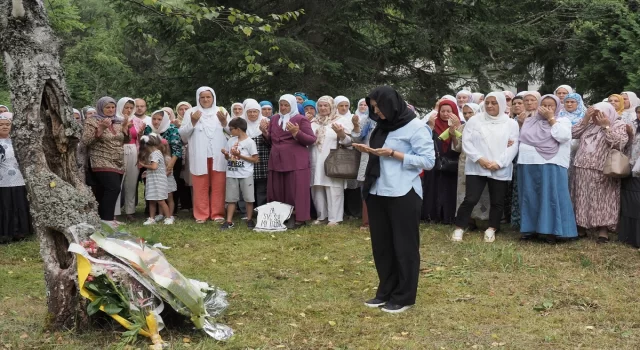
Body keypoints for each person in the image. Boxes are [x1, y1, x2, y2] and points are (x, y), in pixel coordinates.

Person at [352, 86, 434, 313]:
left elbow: (428, 161)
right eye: (373, 108)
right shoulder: (381, 126)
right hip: (378, 190)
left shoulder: (415, 127)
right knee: (382, 246)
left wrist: (394, 154)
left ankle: (404, 296)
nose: (376, 112)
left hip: (403, 192)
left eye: (378, 108)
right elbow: (379, 151)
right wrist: (368, 150)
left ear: (391, 104)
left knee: (404, 247)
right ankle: (386, 291)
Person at [452, 92, 519, 243]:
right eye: (487, 102)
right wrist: (479, 159)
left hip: (499, 167)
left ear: (501, 104)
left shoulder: (510, 123)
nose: (489, 106)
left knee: (497, 200)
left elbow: (513, 145)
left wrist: (499, 163)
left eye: (494, 103)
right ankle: (459, 227)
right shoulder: (475, 121)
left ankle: (492, 228)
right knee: (470, 198)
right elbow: (467, 142)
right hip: (477, 166)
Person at [517, 94, 577, 242]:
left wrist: (551, 118)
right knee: (530, 196)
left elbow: (562, 137)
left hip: (552, 163)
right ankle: (531, 230)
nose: (547, 108)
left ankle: (553, 231)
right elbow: (522, 137)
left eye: (551, 106)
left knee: (552, 196)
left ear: (557, 107)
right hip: (529, 162)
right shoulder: (530, 121)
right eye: (544, 105)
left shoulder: (563, 121)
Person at [572, 102, 629, 243]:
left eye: (600, 113)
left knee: (603, 200)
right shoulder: (590, 124)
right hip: (582, 166)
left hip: (603, 169)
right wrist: (586, 119)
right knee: (582, 197)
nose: (597, 117)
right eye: (595, 114)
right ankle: (582, 227)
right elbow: (573, 133)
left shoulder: (619, 125)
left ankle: (603, 230)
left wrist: (606, 126)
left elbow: (619, 143)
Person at [260, 94, 316, 229]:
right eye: (281, 105)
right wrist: (264, 133)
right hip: (277, 160)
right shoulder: (274, 119)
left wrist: (297, 133)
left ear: (292, 106)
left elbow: (311, 139)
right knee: (278, 190)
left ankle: (299, 219)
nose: (283, 107)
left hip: (296, 162)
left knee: (297, 191)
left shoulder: (301, 119)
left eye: (286, 105)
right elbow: (272, 141)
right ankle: (280, 217)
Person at [179, 86, 230, 223]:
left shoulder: (221, 110)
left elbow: (232, 131)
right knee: (200, 185)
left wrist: (224, 122)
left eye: (208, 97)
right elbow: (183, 135)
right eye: (203, 97)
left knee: (218, 185)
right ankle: (201, 214)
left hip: (218, 154)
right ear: (198, 98)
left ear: (213, 98)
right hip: (199, 154)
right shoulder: (191, 111)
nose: (206, 99)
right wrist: (193, 122)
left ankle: (217, 213)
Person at [81, 97, 130, 228]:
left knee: (106, 190)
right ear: (100, 108)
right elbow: (86, 141)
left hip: (118, 160)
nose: (110, 110)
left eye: (113, 107)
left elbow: (123, 140)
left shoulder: (118, 121)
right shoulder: (92, 121)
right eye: (107, 107)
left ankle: (103, 218)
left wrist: (125, 128)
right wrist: (101, 128)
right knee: (113, 188)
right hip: (101, 159)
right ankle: (107, 219)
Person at [310, 96, 353, 226]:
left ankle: (335, 218)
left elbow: (350, 143)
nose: (323, 108)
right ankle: (322, 216)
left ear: (331, 107)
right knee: (317, 187)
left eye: (326, 106)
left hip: (333, 160)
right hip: (315, 159)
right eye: (320, 106)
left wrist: (341, 134)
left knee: (333, 187)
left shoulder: (341, 121)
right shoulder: (313, 122)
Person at [422, 99, 461, 224]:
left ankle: (449, 216)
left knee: (450, 188)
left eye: (448, 111)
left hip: (452, 163)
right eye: (442, 111)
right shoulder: (433, 124)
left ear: (454, 112)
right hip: (434, 162)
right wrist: (431, 126)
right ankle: (431, 215)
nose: (445, 114)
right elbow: (425, 141)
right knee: (433, 188)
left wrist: (454, 129)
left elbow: (460, 144)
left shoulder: (462, 125)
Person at [453, 103, 490, 228]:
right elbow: (457, 148)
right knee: (464, 192)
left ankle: (483, 218)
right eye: (465, 113)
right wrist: (453, 135)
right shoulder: (462, 127)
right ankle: (468, 220)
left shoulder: (484, 127)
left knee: (479, 191)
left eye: (470, 112)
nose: (468, 115)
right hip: (464, 162)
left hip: (481, 162)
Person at [219, 117, 259, 229]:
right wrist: (226, 155)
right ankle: (229, 221)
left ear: (239, 129)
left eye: (231, 129)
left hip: (246, 174)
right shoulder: (231, 140)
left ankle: (250, 219)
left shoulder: (250, 142)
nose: (230, 131)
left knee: (248, 198)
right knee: (231, 198)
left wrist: (239, 155)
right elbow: (229, 158)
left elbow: (255, 159)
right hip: (232, 173)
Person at [145, 109, 182, 220]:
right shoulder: (148, 128)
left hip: (169, 162)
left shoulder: (172, 129)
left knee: (168, 191)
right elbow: (146, 147)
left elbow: (177, 150)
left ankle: (170, 215)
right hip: (153, 162)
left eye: (159, 119)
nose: (156, 122)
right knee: (154, 189)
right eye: (154, 119)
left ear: (164, 120)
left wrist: (169, 166)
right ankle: (156, 214)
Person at [511, 91, 541, 228]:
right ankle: (521, 222)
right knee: (521, 188)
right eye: (526, 101)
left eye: (532, 100)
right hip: (521, 156)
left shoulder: (543, 117)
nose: (529, 103)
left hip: (539, 156)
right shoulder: (517, 118)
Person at [0, 112, 31, 243]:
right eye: (1, 125)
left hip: (19, 179)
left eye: (7, 124)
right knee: (5, 206)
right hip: (2, 180)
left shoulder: (17, 141)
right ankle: (5, 234)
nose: (5, 127)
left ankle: (20, 232)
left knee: (19, 205)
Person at [115, 97, 144, 221]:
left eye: (131, 108)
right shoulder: (115, 120)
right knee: (117, 183)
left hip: (133, 150)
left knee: (131, 182)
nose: (128, 110)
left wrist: (141, 134)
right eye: (126, 107)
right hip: (119, 150)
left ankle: (130, 211)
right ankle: (114, 211)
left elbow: (138, 138)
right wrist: (124, 126)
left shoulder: (136, 120)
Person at [351, 98, 375, 230]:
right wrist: (355, 125)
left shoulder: (391, 121)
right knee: (366, 188)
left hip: (385, 158)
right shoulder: (367, 119)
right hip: (367, 157)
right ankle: (366, 222)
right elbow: (356, 137)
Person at [138, 134, 172, 225]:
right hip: (153, 180)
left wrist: (144, 165)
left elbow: (154, 166)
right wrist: (147, 172)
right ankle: (151, 218)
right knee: (151, 199)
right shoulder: (154, 153)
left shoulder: (155, 154)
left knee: (161, 200)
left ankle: (169, 218)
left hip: (158, 181)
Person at [619, 105, 640, 247]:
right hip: (631, 169)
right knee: (630, 202)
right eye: (638, 112)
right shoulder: (634, 127)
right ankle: (628, 236)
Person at [242, 99, 270, 207]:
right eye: (250, 111)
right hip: (246, 161)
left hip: (262, 161)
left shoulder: (266, 122)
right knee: (247, 187)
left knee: (262, 188)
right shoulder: (242, 124)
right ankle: (247, 211)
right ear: (246, 112)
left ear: (259, 112)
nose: (252, 114)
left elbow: (271, 142)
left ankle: (261, 210)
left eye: (255, 111)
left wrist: (264, 132)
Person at [173, 101, 193, 211]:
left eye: (186, 108)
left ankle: (191, 203)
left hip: (192, 152)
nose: (184, 111)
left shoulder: (194, 121)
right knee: (181, 178)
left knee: (191, 177)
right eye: (181, 109)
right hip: (179, 152)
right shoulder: (174, 122)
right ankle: (183, 203)